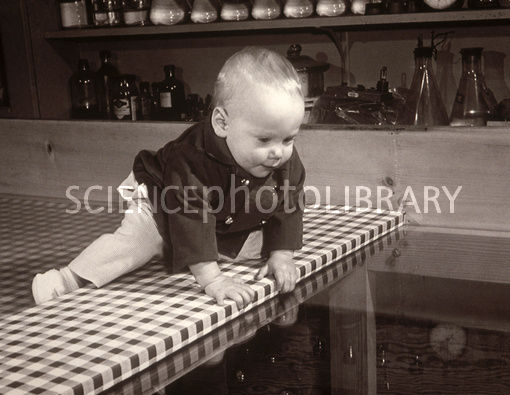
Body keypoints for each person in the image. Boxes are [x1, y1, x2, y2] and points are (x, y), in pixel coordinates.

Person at [32, 47, 306, 310]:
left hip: (222, 213)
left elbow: (288, 206)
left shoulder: (284, 161)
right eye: (264, 139)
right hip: (163, 198)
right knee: (139, 242)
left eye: (288, 138)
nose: (277, 152)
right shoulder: (192, 159)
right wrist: (213, 279)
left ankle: (192, 252)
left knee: (261, 244)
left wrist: (282, 254)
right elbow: (190, 214)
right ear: (222, 124)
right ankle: (69, 278)